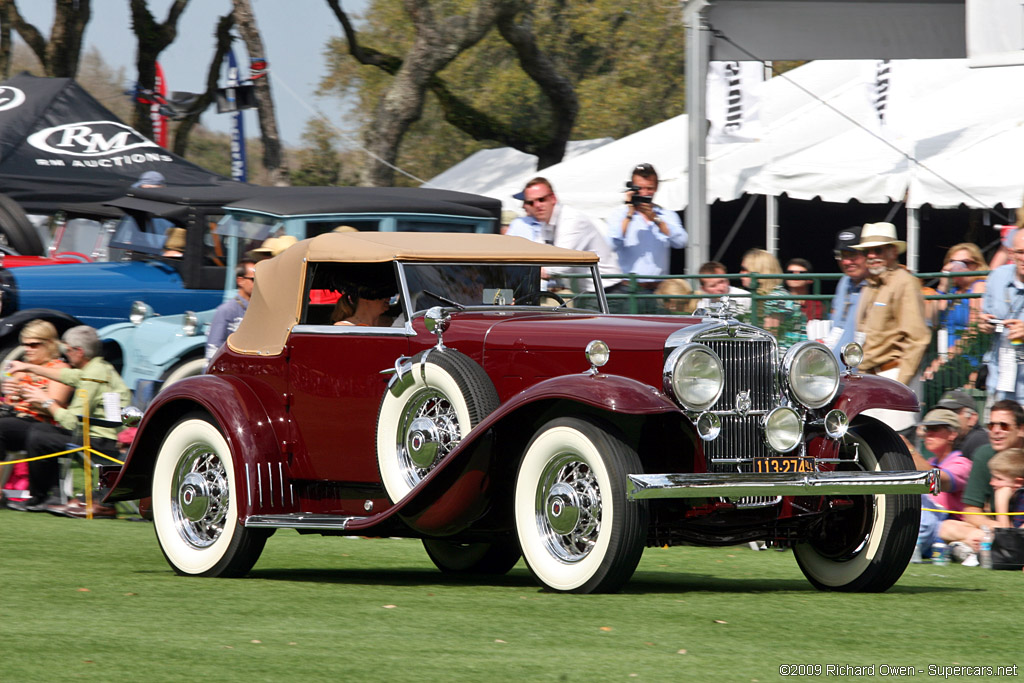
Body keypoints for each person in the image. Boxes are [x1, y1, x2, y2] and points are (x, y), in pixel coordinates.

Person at [5, 326, 131, 516]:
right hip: (98, 435)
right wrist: (27, 367)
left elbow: (72, 422)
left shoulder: (94, 375)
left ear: (78, 351)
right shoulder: (98, 367)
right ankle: (43, 497)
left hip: (102, 442)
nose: (65, 355)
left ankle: (41, 497)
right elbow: (66, 376)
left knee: (40, 436)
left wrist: (45, 401)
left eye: (67, 351)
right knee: (40, 432)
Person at [852, 222, 930, 431]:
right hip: (871, 378)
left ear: (893, 251)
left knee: (897, 448)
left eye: (878, 250)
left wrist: (900, 386)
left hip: (893, 374)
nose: (871, 255)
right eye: (867, 251)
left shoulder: (904, 282)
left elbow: (918, 338)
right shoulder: (869, 285)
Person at [0, 321, 74, 508]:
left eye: (34, 344)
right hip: (16, 421)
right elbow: (10, 402)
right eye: (25, 344)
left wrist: (29, 396)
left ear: (49, 344)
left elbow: (55, 408)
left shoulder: (60, 370)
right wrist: (10, 394)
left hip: (41, 425)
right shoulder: (20, 368)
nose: (28, 349)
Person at [602, 163, 687, 310]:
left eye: (649, 189)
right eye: (639, 188)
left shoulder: (667, 215)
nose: (644, 193)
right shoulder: (619, 215)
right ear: (632, 189)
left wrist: (656, 219)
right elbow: (611, 245)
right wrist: (629, 212)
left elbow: (682, 241)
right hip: (629, 289)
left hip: (660, 290)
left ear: (656, 188)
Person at [518, 177, 621, 292]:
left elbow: (563, 264)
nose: (537, 205)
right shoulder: (546, 223)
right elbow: (536, 253)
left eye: (541, 199)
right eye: (531, 202)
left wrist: (532, 271)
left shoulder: (571, 220)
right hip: (588, 292)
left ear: (553, 198)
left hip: (607, 291)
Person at [901, 408, 973, 560]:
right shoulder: (930, 462)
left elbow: (935, 482)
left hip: (948, 528)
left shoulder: (962, 463)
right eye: (927, 429)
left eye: (934, 429)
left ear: (952, 434)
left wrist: (908, 449)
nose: (928, 434)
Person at [940, 447, 1024, 563]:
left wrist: (1001, 502)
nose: (992, 483)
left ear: (1018, 482)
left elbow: (1009, 542)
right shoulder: (1014, 496)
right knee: (947, 526)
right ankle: (970, 547)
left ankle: (968, 549)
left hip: (1013, 546)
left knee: (984, 538)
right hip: (1006, 538)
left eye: (999, 479)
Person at [979, 227, 1024, 405]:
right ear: (1011, 253)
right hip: (1000, 382)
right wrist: (985, 325)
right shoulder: (997, 277)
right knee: (998, 431)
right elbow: (984, 316)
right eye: (1020, 252)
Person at [739, 248, 807, 351]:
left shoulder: (777, 297)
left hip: (784, 358)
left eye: (745, 269)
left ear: (759, 271)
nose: (741, 274)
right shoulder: (762, 297)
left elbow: (769, 338)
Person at [826, 226, 868, 362]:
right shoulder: (844, 282)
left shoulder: (879, 285)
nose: (846, 261)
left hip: (865, 374)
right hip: (838, 373)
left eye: (853, 254)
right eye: (843, 255)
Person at [205, 260, 257, 365]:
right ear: (240, 281)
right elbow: (213, 349)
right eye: (254, 280)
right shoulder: (226, 311)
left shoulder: (261, 310)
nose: (258, 284)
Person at [935, 389, 988, 460]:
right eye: (942, 413)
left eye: (953, 413)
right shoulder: (954, 440)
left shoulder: (978, 440)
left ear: (972, 418)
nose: (946, 417)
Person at [331, 282, 396, 327]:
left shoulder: (394, 321)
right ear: (365, 297)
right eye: (383, 296)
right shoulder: (344, 327)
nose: (388, 299)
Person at [784, 257, 823, 322]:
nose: (795, 276)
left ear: (810, 279)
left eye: (801, 273)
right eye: (790, 272)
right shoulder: (780, 300)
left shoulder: (816, 304)